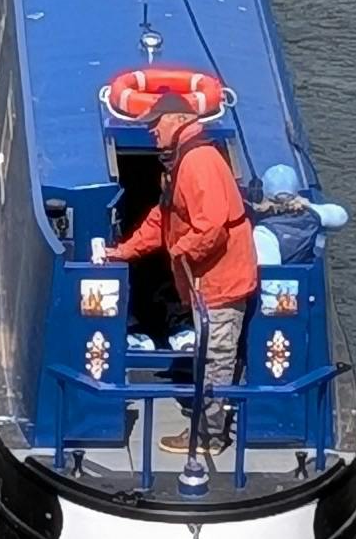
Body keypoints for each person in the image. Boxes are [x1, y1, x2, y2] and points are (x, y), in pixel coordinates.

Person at [107, 102, 260, 458]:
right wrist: (123, 252)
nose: (152, 131)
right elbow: (162, 221)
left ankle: (210, 438)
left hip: (222, 283)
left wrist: (177, 252)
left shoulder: (198, 162)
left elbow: (212, 229)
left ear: (180, 120)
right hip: (206, 283)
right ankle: (208, 428)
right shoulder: (181, 161)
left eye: (156, 123)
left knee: (216, 358)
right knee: (210, 354)